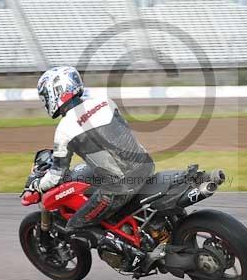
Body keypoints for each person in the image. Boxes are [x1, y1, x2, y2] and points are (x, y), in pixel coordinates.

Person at [27, 66, 155, 231]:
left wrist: (37, 185)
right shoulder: (105, 102)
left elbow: (56, 175)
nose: (45, 101)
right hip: (146, 165)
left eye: (45, 96)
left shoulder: (65, 128)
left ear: (56, 91)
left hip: (122, 186)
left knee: (74, 226)